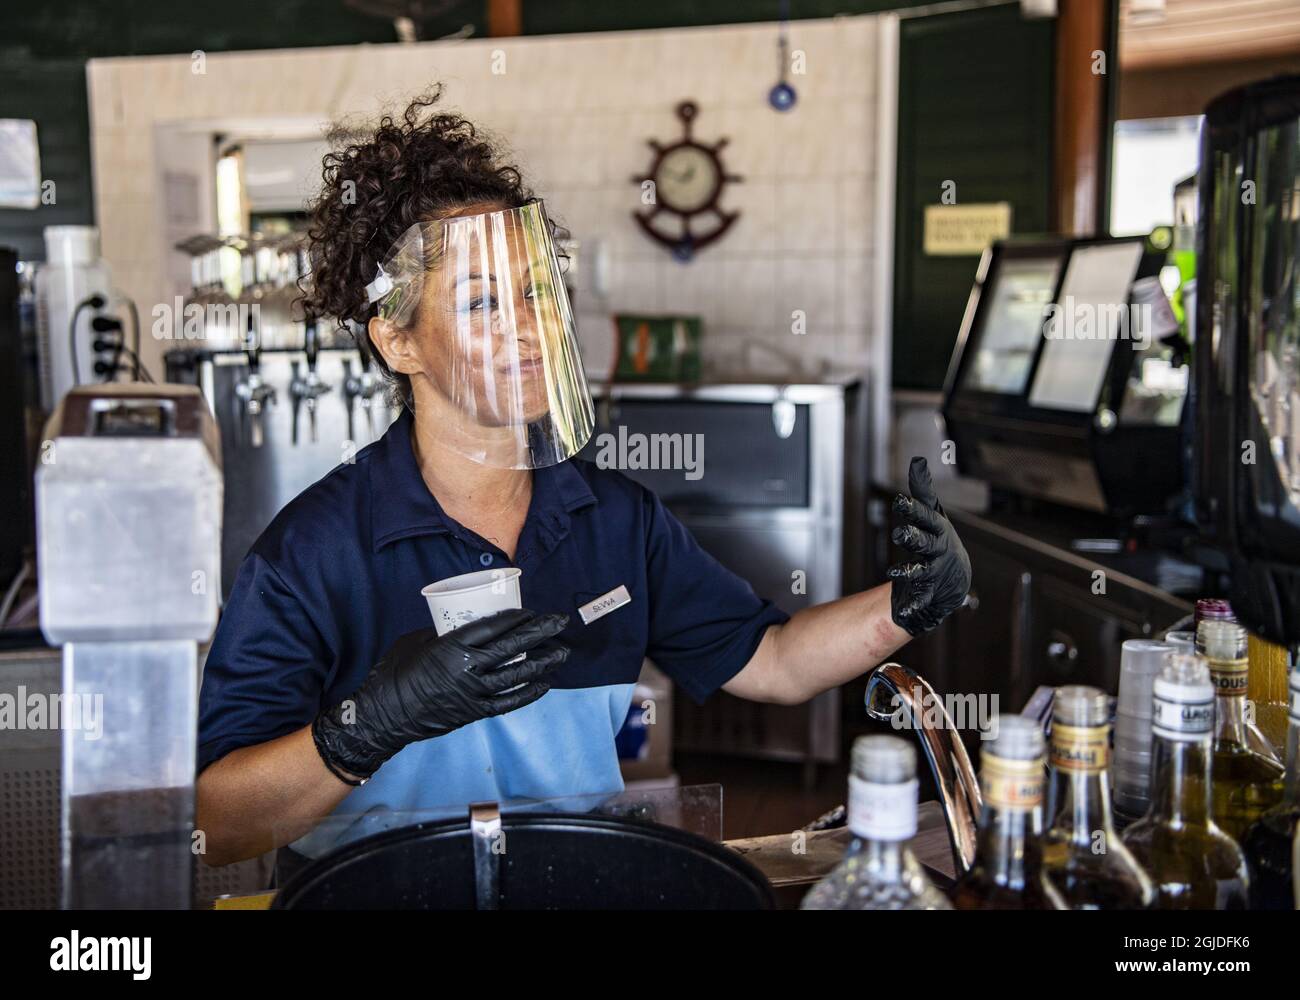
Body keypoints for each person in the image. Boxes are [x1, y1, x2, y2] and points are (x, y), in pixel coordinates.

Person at [195, 89, 970, 870]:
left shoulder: (613, 519)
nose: (528, 329)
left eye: (536, 292)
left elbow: (772, 660)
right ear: (398, 340)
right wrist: (368, 726)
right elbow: (217, 824)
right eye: (482, 302)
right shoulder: (312, 552)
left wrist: (904, 607)